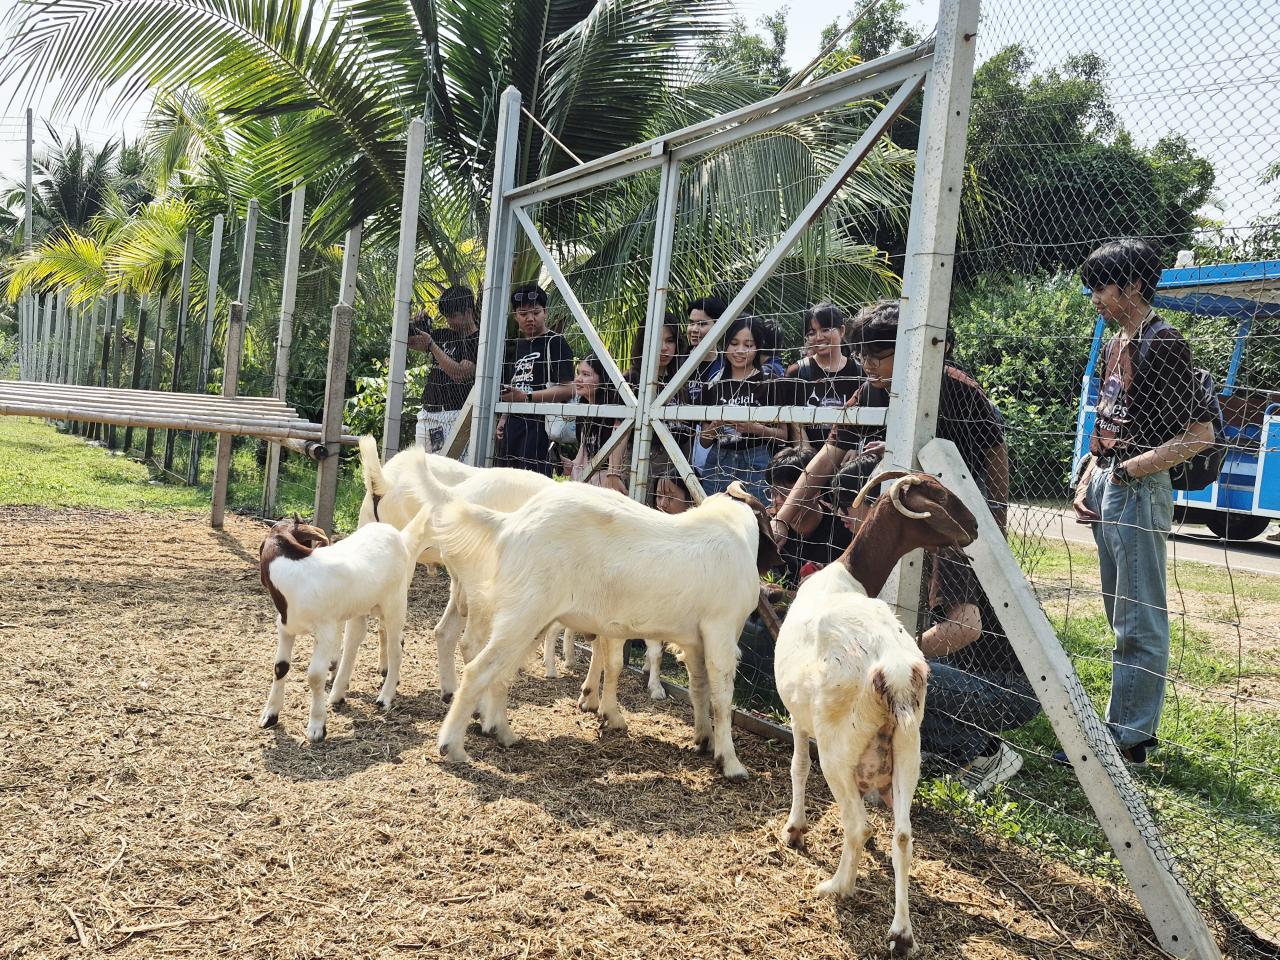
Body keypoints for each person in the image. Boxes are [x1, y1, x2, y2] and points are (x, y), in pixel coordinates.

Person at [1069, 238, 1215, 766]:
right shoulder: (1116, 343)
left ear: (1133, 285)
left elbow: (1199, 435)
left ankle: (1128, 738)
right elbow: (1109, 418)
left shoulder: (1164, 342)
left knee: (1139, 618)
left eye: (1100, 288)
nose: (1094, 300)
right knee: (1119, 612)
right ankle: (1122, 730)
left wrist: (1128, 470)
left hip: (1138, 488)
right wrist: (1090, 474)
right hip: (1110, 481)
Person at [832, 456, 1041, 795]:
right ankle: (946, 747)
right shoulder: (899, 547)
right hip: (966, 670)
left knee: (887, 677)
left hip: (1012, 687)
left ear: (876, 505)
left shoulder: (944, 545)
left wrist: (896, 652)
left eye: (845, 506)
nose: (842, 518)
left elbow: (966, 627)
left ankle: (986, 753)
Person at [769, 299, 1009, 550]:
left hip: (964, 492)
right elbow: (827, 457)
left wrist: (997, 518)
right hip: (908, 500)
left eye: (877, 356)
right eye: (863, 355)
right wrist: (781, 520)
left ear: (908, 350)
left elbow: (995, 453)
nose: (867, 364)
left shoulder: (958, 388)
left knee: (963, 571)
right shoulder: (868, 393)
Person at [698, 315, 788, 500]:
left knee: (757, 518)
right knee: (712, 519)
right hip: (718, 461)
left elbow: (783, 435)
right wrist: (717, 424)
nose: (740, 350)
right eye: (734, 343)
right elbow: (704, 441)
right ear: (725, 345)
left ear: (757, 348)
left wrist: (753, 428)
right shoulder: (713, 383)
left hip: (757, 461)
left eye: (748, 345)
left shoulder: (769, 382)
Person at [496, 282, 575, 476]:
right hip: (513, 426)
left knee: (533, 484)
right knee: (506, 482)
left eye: (536, 312)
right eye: (523, 314)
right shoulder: (516, 346)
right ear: (515, 317)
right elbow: (514, 383)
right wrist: (504, 417)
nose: (530, 318)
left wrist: (527, 397)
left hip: (540, 426)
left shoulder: (555, 342)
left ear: (545, 312)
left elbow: (569, 389)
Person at [764, 445, 851, 584]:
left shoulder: (844, 528)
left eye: (787, 494)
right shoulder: (767, 527)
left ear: (815, 492)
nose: (777, 500)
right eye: (773, 493)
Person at [408, 285, 479, 452]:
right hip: (428, 415)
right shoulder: (444, 334)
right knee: (421, 470)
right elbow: (409, 342)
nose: (449, 321)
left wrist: (432, 345)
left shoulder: (478, 340)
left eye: (453, 316)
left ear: (468, 312)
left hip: (455, 416)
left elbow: (460, 373)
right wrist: (415, 325)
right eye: (447, 317)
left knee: (451, 472)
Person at [785, 302, 864, 447]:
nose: (819, 337)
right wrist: (807, 457)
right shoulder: (796, 372)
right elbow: (795, 424)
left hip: (849, 459)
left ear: (841, 331)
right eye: (811, 333)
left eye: (825, 329)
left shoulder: (860, 372)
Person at [561, 354, 615, 487]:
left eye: (585, 374)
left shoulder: (613, 413)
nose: (578, 379)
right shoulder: (582, 412)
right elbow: (587, 452)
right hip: (586, 482)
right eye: (578, 373)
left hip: (606, 483)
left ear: (603, 379)